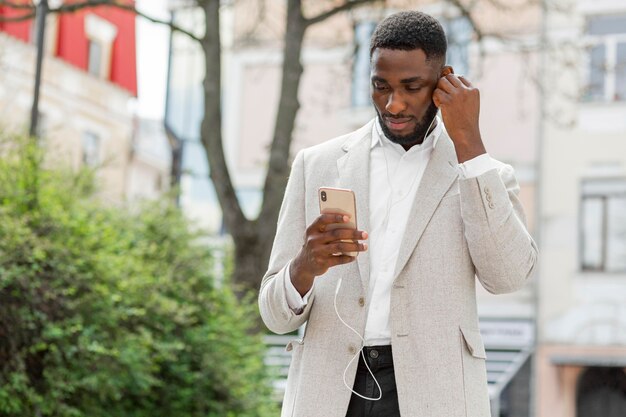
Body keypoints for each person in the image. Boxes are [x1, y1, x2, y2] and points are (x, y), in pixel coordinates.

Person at [258, 10, 538, 417]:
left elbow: (509, 276)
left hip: (434, 396)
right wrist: (304, 266)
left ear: (444, 80)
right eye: (380, 86)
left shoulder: (482, 174)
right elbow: (273, 315)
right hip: (329, 393)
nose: (394, 103)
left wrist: (470, 145)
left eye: (412, 86)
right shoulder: (316, 164)